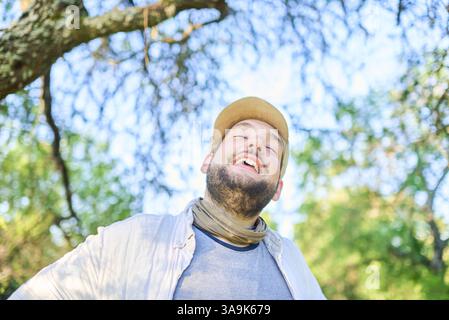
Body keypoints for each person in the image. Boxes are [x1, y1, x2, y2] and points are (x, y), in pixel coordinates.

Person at [8, 96, 326, 300]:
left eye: (269, 147)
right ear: (207, 161)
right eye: (241, 136)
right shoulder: (133, 239)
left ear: (279, 189)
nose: (254, 148)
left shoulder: (294, 266)